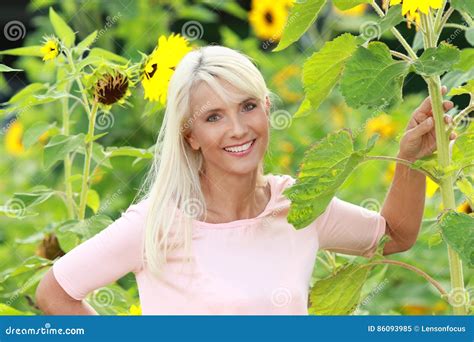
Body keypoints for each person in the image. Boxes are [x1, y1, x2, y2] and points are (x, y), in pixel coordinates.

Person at [35, 45, 456, 315]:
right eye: (214, 117)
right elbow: (56, 292)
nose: (238, 129)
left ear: (267, 108)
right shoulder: (161, 222)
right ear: (190, 135)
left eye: (248, 106)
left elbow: (393, 236)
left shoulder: (297, 205)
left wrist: (409, 159)